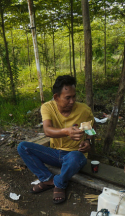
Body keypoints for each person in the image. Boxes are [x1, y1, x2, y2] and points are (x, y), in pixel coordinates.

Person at [17, 75, 94, 204]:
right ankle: (48, 179)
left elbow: (91, 129)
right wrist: (66, 131)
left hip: (73, 156)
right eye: (67, 98)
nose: (72, 101)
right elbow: (47, 130)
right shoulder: (47, 107)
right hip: (54, 153)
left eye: (74, 96)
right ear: (56, 97)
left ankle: (59, 183)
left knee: (76, 157)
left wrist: (89, 141)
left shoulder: (83, 110)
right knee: (23, 147)